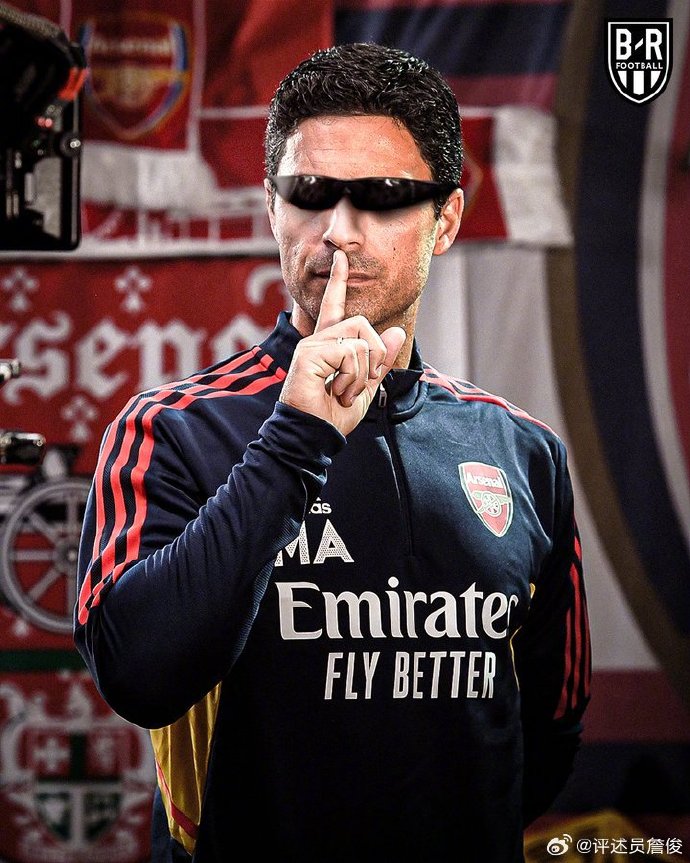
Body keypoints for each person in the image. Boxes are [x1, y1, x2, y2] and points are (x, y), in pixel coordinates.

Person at [74, 42, 591, 863]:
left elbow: (548, 730)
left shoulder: (523, 452)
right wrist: (294, 441)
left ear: (446, 219)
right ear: (271, 207)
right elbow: (137, 674)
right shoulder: (170, 429)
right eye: (310, 194)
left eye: (382, 197)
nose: (338, 233)